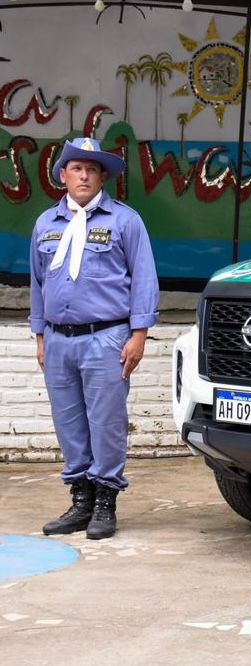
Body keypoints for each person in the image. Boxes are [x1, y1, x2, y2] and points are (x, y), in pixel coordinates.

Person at [30, 137, 159, 540]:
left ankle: (105, 501)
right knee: (68, 420)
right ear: (63, 176)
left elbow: (144, 278)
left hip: (106, 337)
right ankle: (80, 499)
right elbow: (38, 282)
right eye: (76, 168)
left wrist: (138, 334)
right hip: (57, 339)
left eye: (91, 168)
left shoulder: (124, 220)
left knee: (106, 423)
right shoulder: (46, 224)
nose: (83, 175)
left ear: (103, 176)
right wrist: (39, 335)